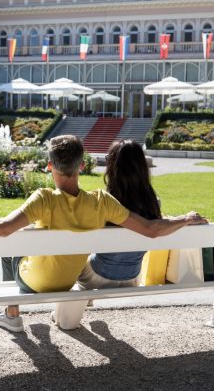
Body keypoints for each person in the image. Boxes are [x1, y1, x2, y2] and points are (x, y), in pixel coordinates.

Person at [0, 134, 207, 333]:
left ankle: (12, 314)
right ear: (81, 166)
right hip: (77, 278)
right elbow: (150, 229)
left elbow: (0, 229)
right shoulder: (102, 202)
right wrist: (185, 218)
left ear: (49, 165)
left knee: (14, 246)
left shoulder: (43, 198)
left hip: (43, 281)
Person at [54, 139, 172, 329]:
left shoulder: (104, 201)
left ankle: (68, 311)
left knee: (73, 263)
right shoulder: (153, 202)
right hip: (133, 277)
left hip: (97, 277)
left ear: (113, 166)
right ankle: (85, 298)